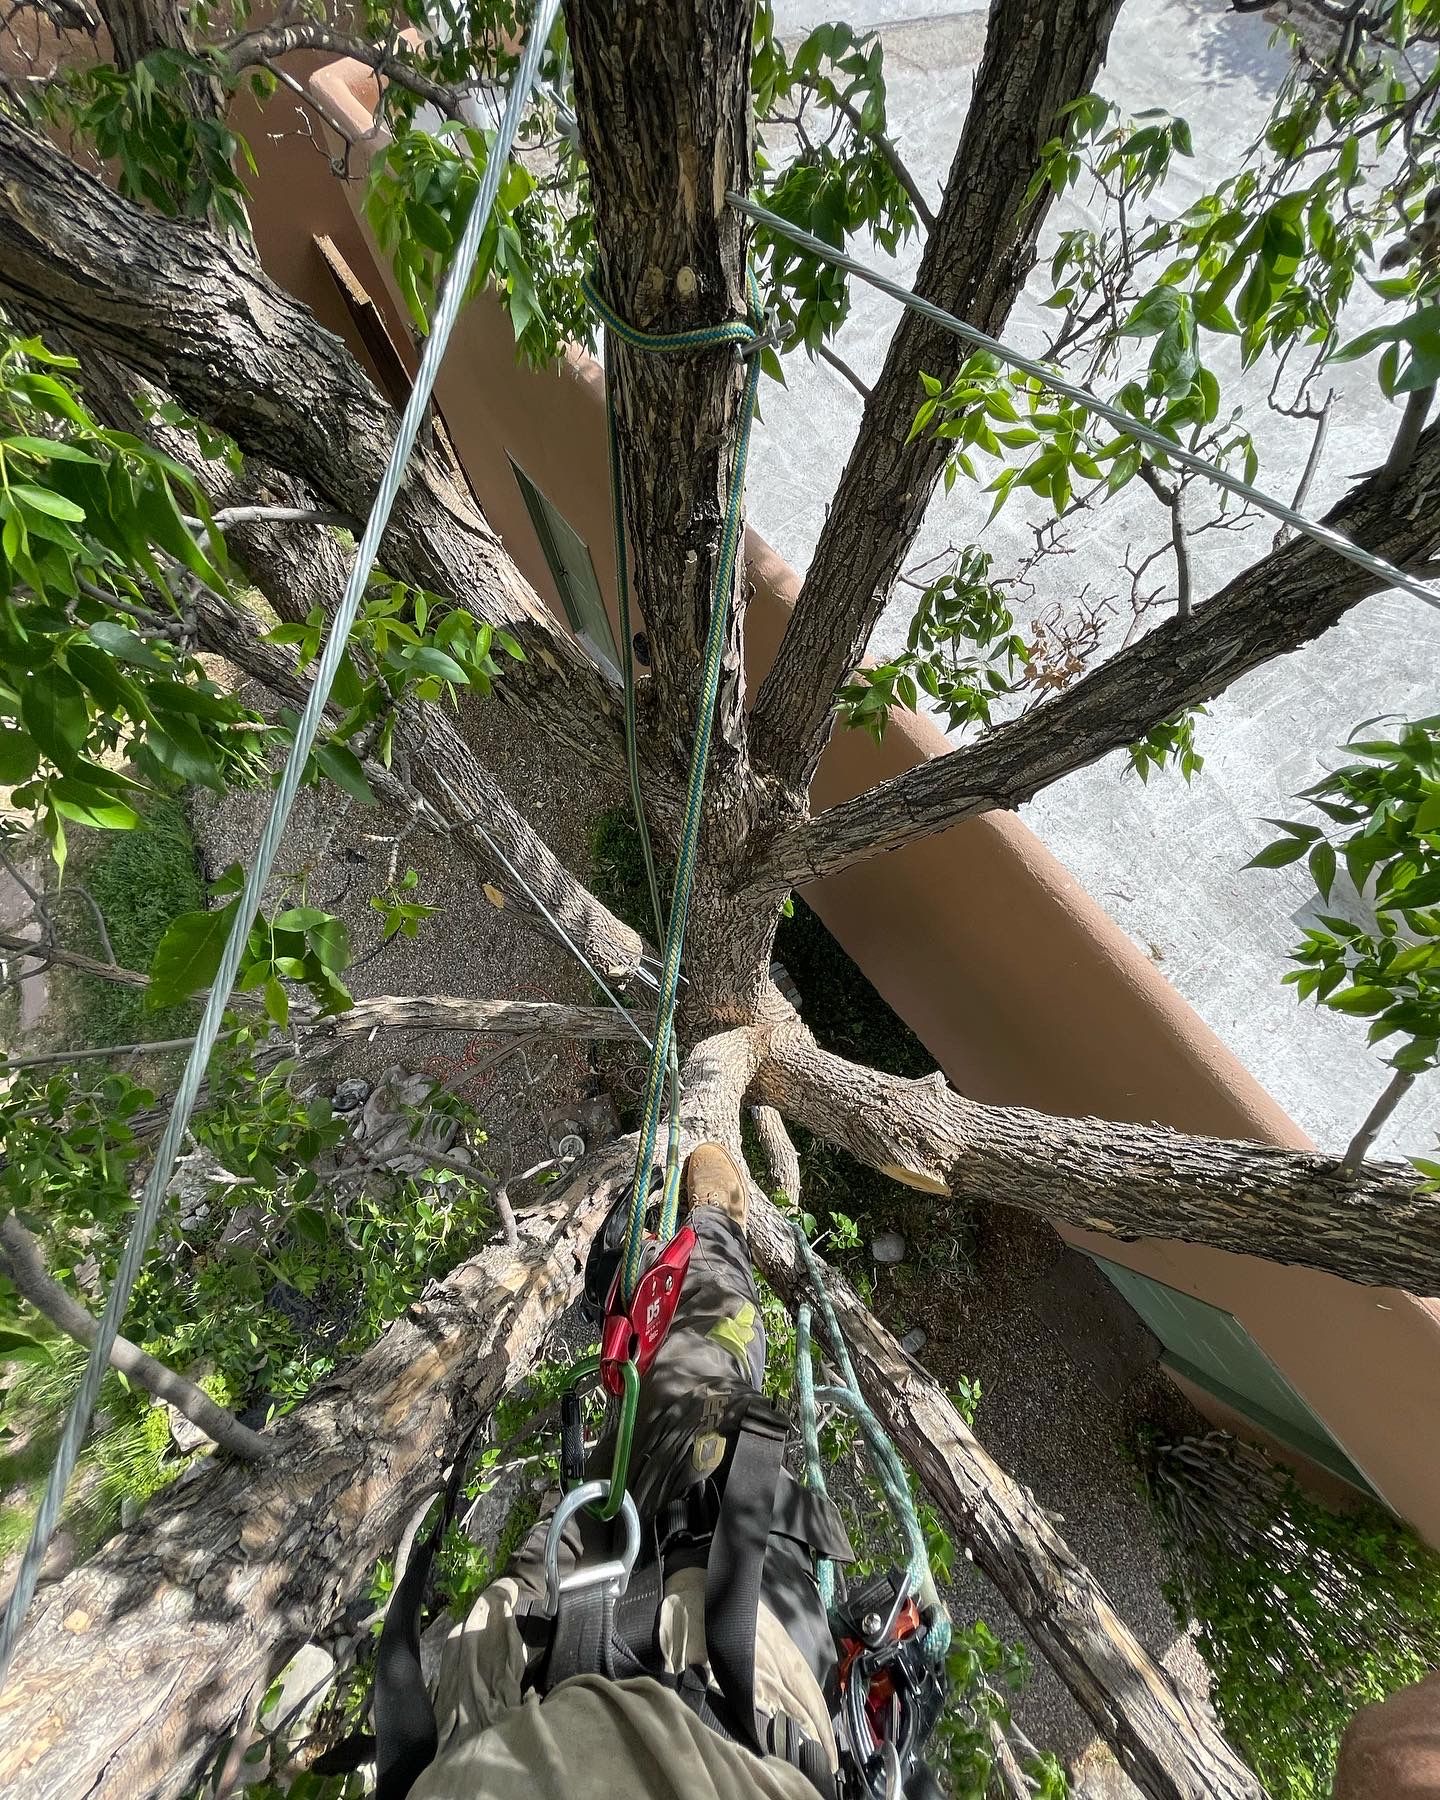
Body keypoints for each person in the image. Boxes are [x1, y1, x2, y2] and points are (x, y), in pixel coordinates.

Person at [407, 1142, 855, 1800]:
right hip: (733, 1696)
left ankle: (656, 1272)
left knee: (588, 1501)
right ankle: (711, 1234)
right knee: (703, 1384)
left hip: (495, 1697)